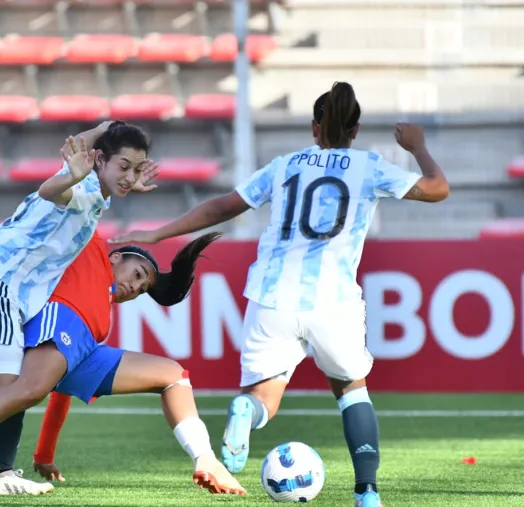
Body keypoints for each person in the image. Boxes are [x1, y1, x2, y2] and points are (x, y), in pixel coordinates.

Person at [111, 81, 450, 507]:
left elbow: (222, 207)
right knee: (351, 391)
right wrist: (417, 147)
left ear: (314, 127)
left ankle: (244, 414)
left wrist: (157, 233)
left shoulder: (285, 165)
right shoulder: (369, 166)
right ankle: (366, 493)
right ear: (355, 129)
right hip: (332, 299)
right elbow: (438, 189)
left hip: (271, 295)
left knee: (261, 398)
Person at [0, 122, 159, 496]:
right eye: (124, 166)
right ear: (100, 159)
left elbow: (87, 161)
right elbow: (50, 191)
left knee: (11, 384)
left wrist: (107, 144)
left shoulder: (95, 189)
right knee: (16, 388)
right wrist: (78, 166)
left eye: (137, 168)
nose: (130, 175)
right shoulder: (81, 188)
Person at [0, 232, 247, 496]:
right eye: (138, 273)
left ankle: (206, 460)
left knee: (173, 375)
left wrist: (45, 452)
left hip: (82, 340)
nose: (135, 286)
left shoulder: (102, 319)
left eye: (142, 288)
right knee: (24, 387)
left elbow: (60, 386)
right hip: (54, 314)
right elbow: (84, 197)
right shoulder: (92, 247)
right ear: (117, 256)